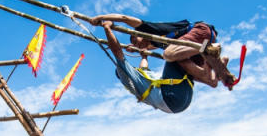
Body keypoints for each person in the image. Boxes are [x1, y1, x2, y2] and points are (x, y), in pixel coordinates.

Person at [92, 16, 236, 114]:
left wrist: (141, 52)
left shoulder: (141, 77)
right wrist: (107, 28)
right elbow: (117, 52)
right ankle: (205, 50)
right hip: (171, 96)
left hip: (180, 101)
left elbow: (144, 60)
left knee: (188, 63)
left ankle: (212, 76)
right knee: (171, 55)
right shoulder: (126, 75)